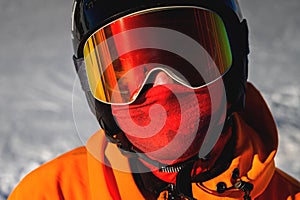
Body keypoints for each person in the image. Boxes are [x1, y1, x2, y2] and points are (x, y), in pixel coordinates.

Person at [8, 0, 300, 199]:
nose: (163, 88)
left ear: (233, 63)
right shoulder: (53, 193)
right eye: (130, 74)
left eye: (190, 62)